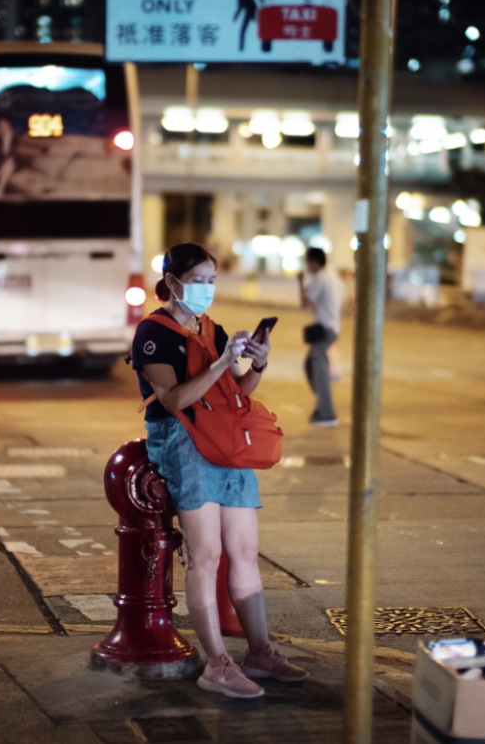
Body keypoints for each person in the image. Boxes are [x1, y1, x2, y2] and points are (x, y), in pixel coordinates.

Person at [133, 243, 308, 699]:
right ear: (172, 282)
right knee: (205, 554)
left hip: (228, 444)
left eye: (212, 280)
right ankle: (217, 664)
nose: (206, 289)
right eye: (198, 280)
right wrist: (221, 362)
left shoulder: (213, 328)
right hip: (185, 445)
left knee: (245, 550)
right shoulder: (153, 333)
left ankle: (259, 651)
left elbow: (234, 393)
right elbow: (173, 401)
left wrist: (256, 365)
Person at [298, 246, 341, 426]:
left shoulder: (319, 278)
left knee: (320, 372)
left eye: (307, 261)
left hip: (322, 331)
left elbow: (304, 302)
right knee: (310, 366)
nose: (306, 265)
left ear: (314, 262)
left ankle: (326, 413)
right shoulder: (334, 278)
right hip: (331, 329)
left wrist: (300, 282)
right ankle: (323, 403)